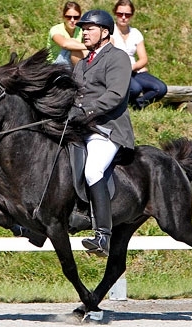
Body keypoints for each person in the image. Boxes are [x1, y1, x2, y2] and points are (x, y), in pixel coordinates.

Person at [66, 9, 134, 257]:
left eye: (89, 29)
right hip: (81, 128)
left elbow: (115, 96)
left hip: (107, 129)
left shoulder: (118, 58)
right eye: (82, 29)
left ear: (105, 32)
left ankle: (103, 235)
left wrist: (84, 111)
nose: (83, 32)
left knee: (93, 169)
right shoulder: (82, 63)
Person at [111, 0, 167, 110]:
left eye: (127, 15)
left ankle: (138, 104)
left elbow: (144, 58)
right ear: (115, 13)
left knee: (161, 88)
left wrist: (133, 67)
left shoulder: (135, 33)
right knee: (135, 89)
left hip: (134, 70)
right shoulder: (110, 31)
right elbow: (110, 55)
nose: (123, 17)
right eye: (120, 14)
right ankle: (124, 105)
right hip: (118, 70)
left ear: (131, 15)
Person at [46, 2, 88, 68]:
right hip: (55, 66)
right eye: (68, 17)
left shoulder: (81, 30)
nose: (72, 20)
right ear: (63, 17)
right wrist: (90, 46)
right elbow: (65, 44)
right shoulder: (56, 29)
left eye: (76, 17)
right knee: (74, 46)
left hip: (72, 63)